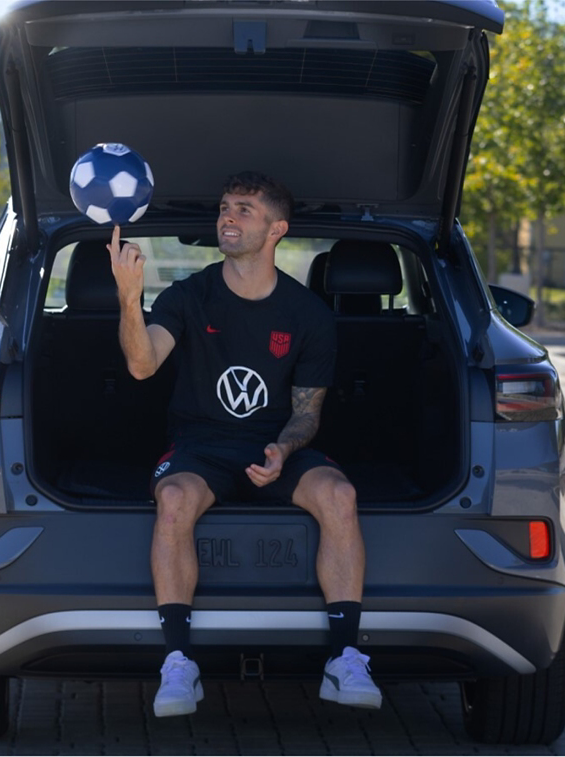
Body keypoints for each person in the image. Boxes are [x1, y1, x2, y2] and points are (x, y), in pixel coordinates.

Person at [108, 171, 382, 717]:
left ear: (277, 228)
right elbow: (141, 366)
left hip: (275, 447)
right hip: (201, 446)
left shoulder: (308, 315)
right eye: (225, 207)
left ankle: (344, 657)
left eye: (244, 210)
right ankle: (179, 663)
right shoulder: (190, 294)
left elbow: (307, 413)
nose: (227, 217)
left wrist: (282, 450)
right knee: (176, 500)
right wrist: (129, 298)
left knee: (340, 496)